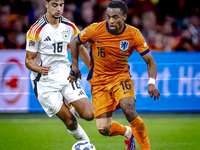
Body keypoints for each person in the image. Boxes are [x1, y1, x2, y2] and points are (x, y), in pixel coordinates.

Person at [68, 1, 160, 150]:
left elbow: (150, 61)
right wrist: (75, 67)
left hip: (120, 77)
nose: (111, 20)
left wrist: (151, 82)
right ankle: (128, 132)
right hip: (99, 83)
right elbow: (74, 42)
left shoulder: (133, 34)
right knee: (104, 129)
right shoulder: (95, 29)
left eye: (115, 17)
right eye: (109, 16)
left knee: (129, 110)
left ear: (124, 16)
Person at [25, 0, 94, 143]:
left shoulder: (69, 26)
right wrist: (39, 68)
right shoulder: (36, 30)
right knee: (70, 121)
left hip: (66, 76)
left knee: (89, 114)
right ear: (46, 4)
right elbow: (28, 60)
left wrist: (94, 70)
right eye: (55, 5)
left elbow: (80, 48)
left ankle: (68, 103)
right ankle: (88, 146)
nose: (58, 8)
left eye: (61, 5)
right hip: (45, 82)